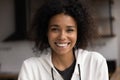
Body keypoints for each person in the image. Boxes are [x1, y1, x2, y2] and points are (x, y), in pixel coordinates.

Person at [18, 0, 109, 80]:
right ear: (46, 32)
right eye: (55, 29)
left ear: (78, 32)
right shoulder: (30, 68)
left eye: (69, 30)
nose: (62, 36)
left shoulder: (95, 63)